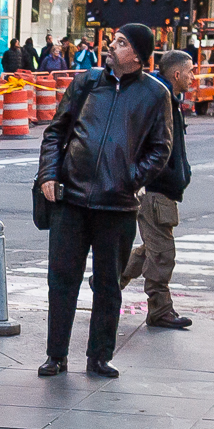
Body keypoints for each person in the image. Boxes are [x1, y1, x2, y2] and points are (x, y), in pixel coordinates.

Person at [36, 23, 173, 379]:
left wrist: (129, 178)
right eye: (115, 40)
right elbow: (56, 131)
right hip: (71, 199)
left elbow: (161, 150)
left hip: (118, 206)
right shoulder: (87, 82)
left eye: (122, 42)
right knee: (61, 280)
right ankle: (57, 355)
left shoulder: (155, 94)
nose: (112, 45)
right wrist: (50, 174)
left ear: (138, 55)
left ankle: (99, 357)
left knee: (108, 285)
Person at [120, 49, 193, 332]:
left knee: (151, 247)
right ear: (176, 74)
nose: (192, 76)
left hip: (161, 187)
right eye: (190, 71)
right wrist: (151, 178)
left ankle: (110, 278)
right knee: (162, 252)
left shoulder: (167, 99)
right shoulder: (158, 100)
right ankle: (161, 310)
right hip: (155, 188)